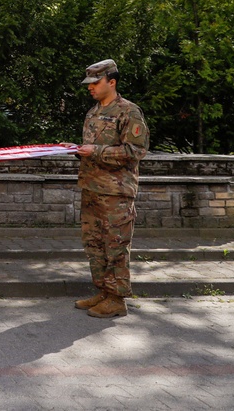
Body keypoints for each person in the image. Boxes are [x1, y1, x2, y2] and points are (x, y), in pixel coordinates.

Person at [64, 59, 149, 319]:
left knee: (115, 246)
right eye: (88, 83)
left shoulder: (129, 112)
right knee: (94, 244)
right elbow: (93, 149)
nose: (90, 88)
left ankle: (117, 299)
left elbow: (136, 151)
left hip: (116, 193)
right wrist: (76, 150)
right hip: (91, 188)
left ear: (111, 82)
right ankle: (103, 291)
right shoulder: (93, 112)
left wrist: (96, 151)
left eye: (95, 83)